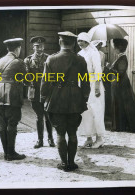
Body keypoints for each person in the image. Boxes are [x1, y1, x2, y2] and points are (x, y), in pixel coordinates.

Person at [40, 31, 90, 171]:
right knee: (73, 132)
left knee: (60, 133)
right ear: (74, 43)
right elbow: (86, 82)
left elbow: (45, 82)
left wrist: (43, 98)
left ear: (60, 42)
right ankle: (72, 163)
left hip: (56, 99)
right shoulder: (80, 59)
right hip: (75, 98)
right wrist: (84, 98)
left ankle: (63, 163)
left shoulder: (51, 59)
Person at [0, 38, 26, 161]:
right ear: (18, 49)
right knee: (12, 123)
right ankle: (11, 153)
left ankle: (6, 153)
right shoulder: (19, 62)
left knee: (2, 125)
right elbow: (26, 80)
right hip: (12, 95)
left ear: (7, 49)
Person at [24, 36, 55, 149]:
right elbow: (26, 77)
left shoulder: (49, 58)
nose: (39, 48)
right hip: (35, 91)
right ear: (33, 47)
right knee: (39, 116)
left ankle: (50, 139)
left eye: (41, 46)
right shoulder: (28, 60)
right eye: (37, 46)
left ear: (44, 47)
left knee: (48, 116)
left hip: (47, 92)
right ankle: (40, 140)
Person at [107, 39, 135, 132]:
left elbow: (120, 73)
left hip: (121, 84)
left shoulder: (123, 58)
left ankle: (122, 126)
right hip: (118, 83)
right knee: (118, 103)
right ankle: (119, 126)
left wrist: (109, 68)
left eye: (115, 47)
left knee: (121, 103)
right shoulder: (120, 57)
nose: (114, 49)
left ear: (118, 48)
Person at [77, 32, 106, 149]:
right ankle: (88, 138)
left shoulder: (94, 53)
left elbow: (98, 70)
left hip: (94, 83)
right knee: (85, 111)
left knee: (96, 111)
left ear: (87, 41)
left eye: (81, 41)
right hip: (83, 83)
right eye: (78, 41)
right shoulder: (79, 53)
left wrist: (97, 87)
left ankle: (99, 139)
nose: (79, 43)